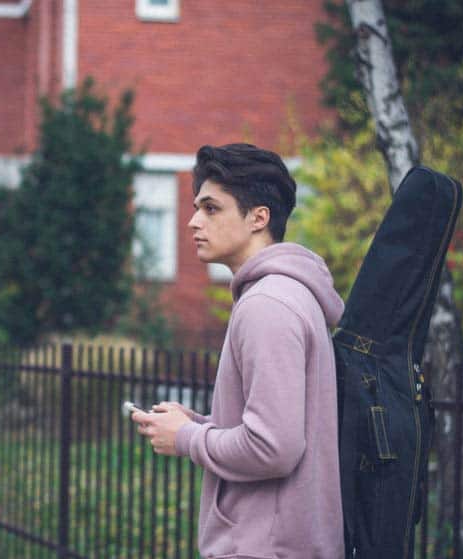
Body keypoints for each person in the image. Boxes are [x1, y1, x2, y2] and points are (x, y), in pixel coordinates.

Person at [131, 143, 345, 559]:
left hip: (263, 548)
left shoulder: (267, 305)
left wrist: (188, 439)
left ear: (258, 218)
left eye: (211, 209)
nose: (193, 221)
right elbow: (280, 427)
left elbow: (275, 448)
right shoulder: (286, 295)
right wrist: (203, 422)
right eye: (196, 207)